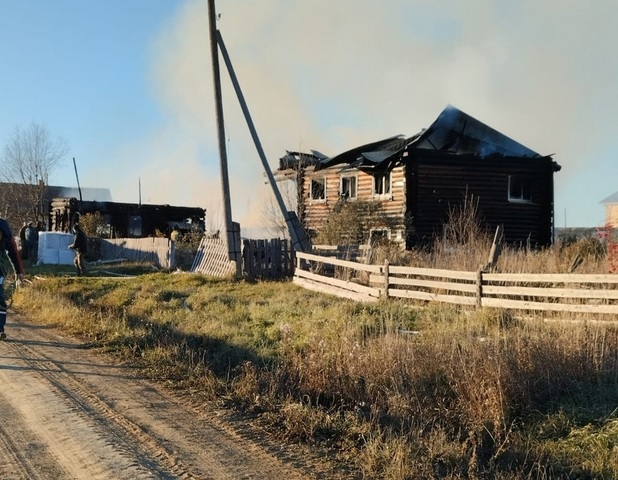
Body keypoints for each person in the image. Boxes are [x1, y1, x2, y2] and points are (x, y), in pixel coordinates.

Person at [0, 217, 26, 340]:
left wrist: (19, 271)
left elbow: (13, 251)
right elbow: (13, 251)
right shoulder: (3, 226)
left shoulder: (3, 227)